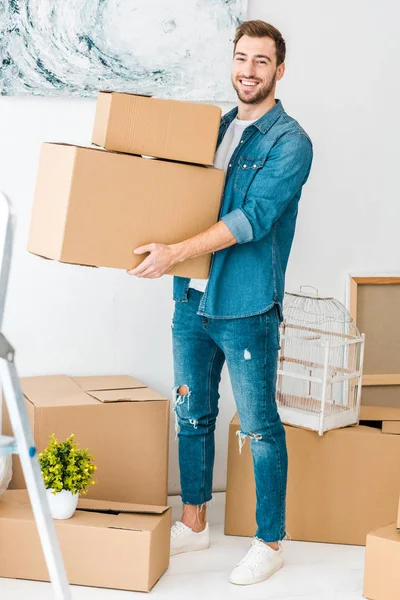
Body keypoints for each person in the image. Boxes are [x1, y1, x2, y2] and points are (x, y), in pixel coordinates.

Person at [128, 19, 313, 586]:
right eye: (241, 58)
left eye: (261, 61)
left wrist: (176, 249)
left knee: (259, 427)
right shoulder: (218, 128)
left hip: (247, 305)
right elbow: (182, 191)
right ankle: (194, 521)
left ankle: (270, 540)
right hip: (192, 298)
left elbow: (252, 219)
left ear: (279, 70)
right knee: (193, 414)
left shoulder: (291, 142)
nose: (248, 71)